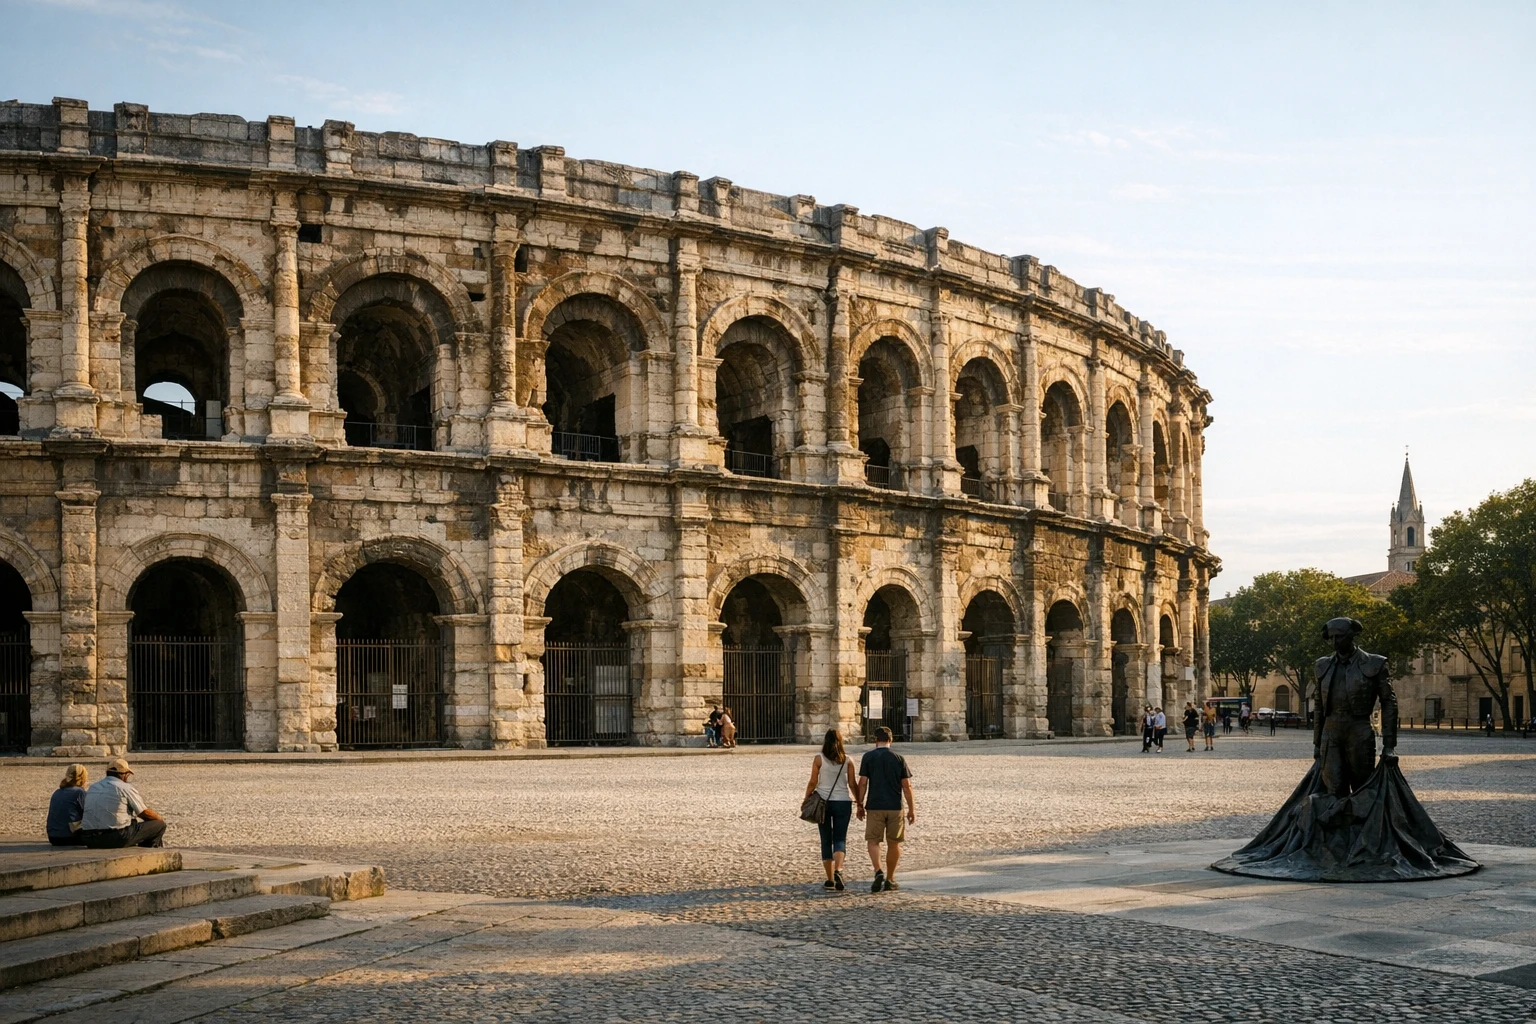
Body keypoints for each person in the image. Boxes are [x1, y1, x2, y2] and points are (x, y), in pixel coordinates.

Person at [857, 725, 914, 893]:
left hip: (874, 806)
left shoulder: (868, 757)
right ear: (891, 740)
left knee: (873, 841)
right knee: (894, 843)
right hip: (895, 807)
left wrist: (859, 804)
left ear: (875, 740)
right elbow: (907, 786)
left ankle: (878, 871)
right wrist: (912, 809)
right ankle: (890, 878)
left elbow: (863, 783)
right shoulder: (898, 758)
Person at [805, 729, 860, 891]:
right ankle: (839, 870)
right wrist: (859, 801)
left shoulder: (819, 759)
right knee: (840, 838)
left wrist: (806, 797)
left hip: (823, 802)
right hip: (843, 802)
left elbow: (813, 782)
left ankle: (829, 879)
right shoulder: (848, 760)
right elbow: (852, 783)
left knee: (826, 839)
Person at [79, 758, 166, 848]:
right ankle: (147, 854)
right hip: (115, 837)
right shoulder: (124, 787)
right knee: (159, 825)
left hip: (88, 838)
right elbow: (143, 813)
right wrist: (160, 818)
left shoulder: (93, 787)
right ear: (124, 775)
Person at [46, 763, 89, 846]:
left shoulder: (57, 792)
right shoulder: (79, 792)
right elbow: (87, 813)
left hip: (53, 838)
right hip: (70, 837)